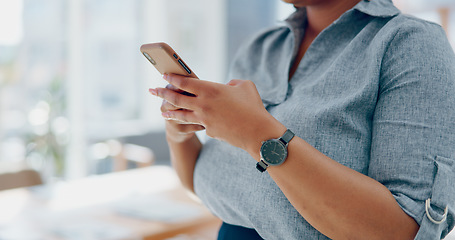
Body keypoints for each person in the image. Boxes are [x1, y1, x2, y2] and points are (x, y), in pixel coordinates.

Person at [148, 0, 455, 239]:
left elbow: (403, 232)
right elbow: (203, 185)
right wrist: (179, 134)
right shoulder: (261, 47)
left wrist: (256, 132)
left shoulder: (409, 44)